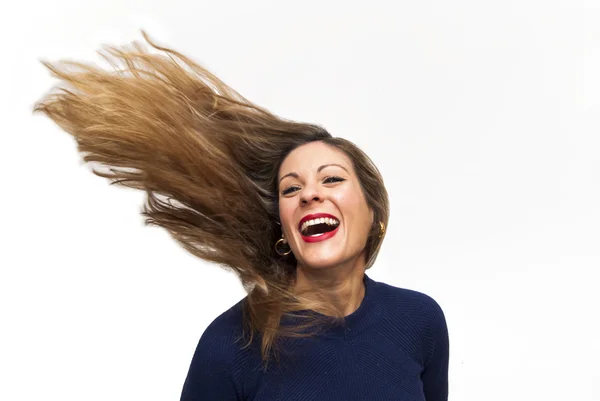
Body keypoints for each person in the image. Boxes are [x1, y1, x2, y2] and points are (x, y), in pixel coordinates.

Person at [33, 31, 449, 401]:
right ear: (283, 230)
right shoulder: (231, 344)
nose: (309, 194)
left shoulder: (419, 322)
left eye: (332, 179)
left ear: (374, 212)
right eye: (291, 188)